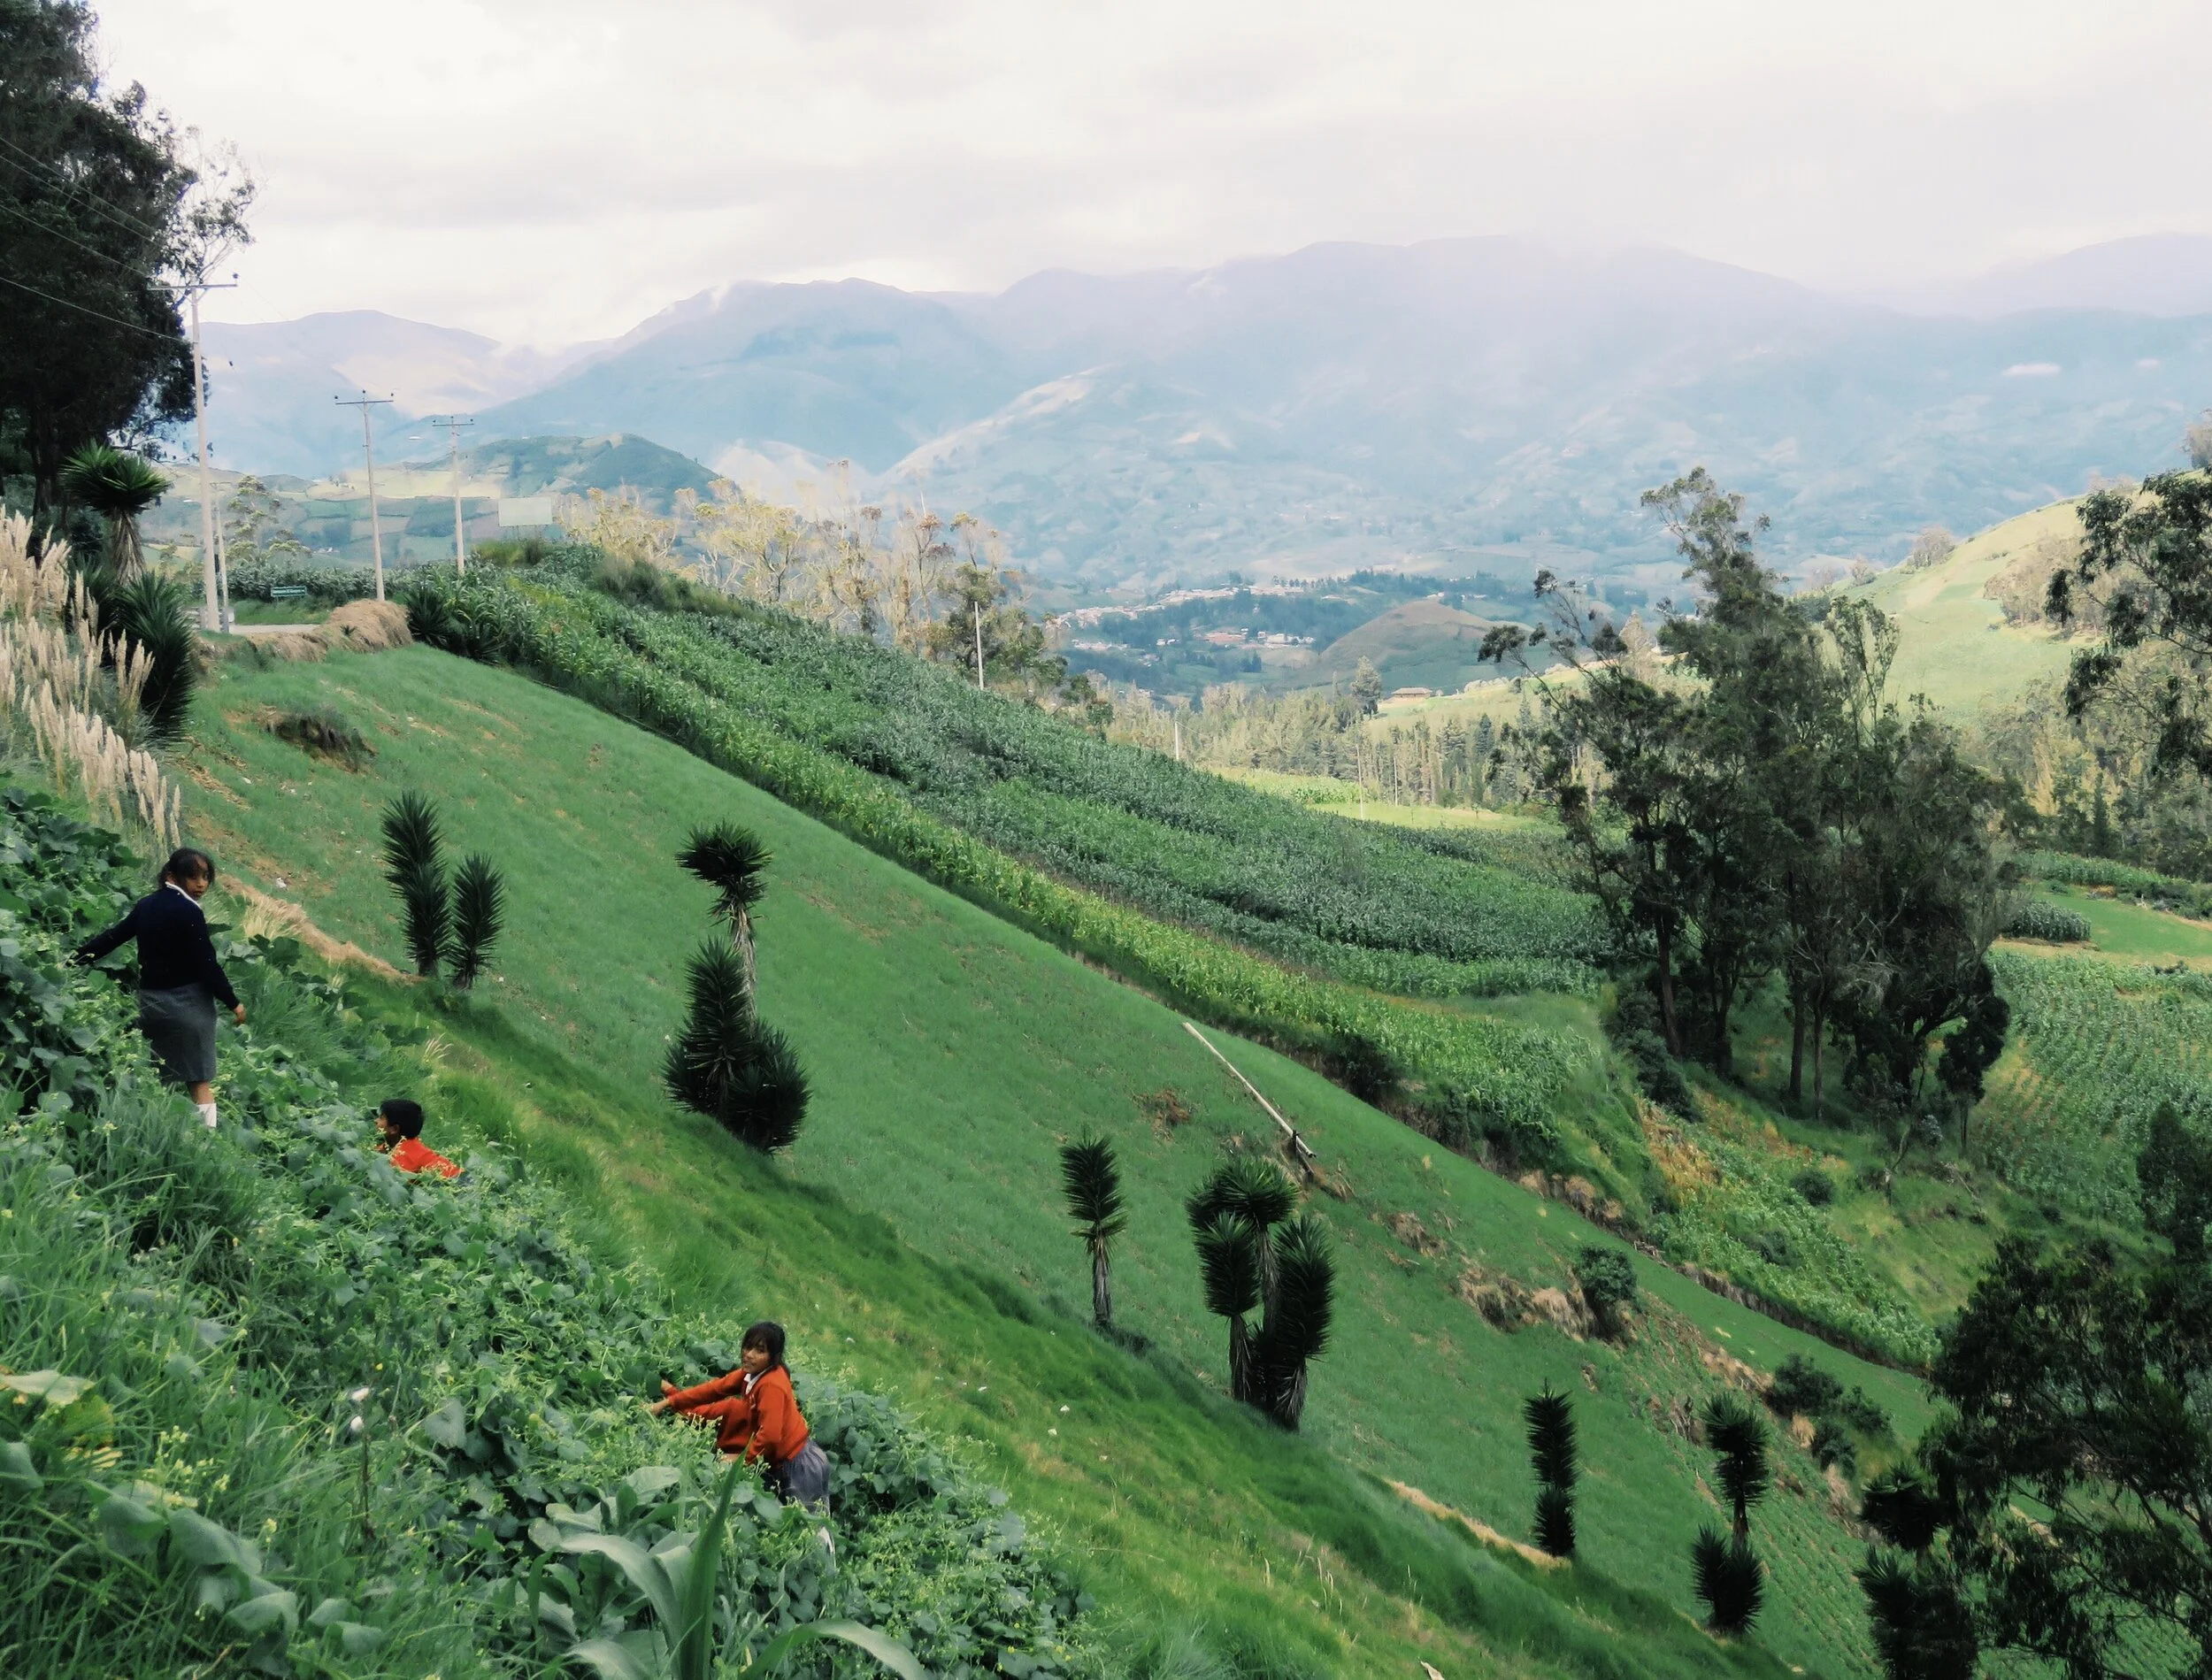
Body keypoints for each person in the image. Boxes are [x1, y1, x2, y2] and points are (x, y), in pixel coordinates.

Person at [74, 847, 245, 1129]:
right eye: (193, 877)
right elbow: (207, 964)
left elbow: (112, 938)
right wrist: (232, 1002)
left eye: (205, 877)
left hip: (151, 1004)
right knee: (199, 1080)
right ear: (172, 876)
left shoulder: (146, 905)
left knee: (159, 1076)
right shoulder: (189, 911)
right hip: (189, 1007)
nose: (201, 884)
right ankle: (205, 1142)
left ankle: (147, 1127)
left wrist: (72, 960)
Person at [648, 1321, 830, 1509]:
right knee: (793, 1517)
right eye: (748, 1346)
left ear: (773, 1357)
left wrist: (742, 1459)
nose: (749, 1354)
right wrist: (668, 1401)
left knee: (809, 1524)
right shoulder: (751, 1374)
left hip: (800, 1464)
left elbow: (771, 1436)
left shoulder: (771, 1385)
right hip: (788, 1458)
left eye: (760, 1351)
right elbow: (714, 1389)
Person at [373, 1098, 462, 1178]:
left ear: (394, 1129)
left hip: (460, 1181)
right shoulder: (395, 1143)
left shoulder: (405, 1155)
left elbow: (398, 1181)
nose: (375, 1121)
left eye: (381, 1118)